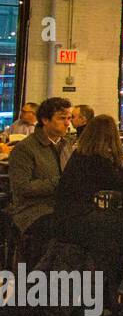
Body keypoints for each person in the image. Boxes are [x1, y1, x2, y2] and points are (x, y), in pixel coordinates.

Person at [53, 115, 123, 296]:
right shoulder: (98, 159)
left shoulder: (80, 155)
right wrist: (118, 156)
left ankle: (121, 283)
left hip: (66, 216)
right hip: (79, 218)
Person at [7, 97, 75, 260]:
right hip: (32, 211)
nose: (67, 123)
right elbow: (22, 187)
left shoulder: (66, 145)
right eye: (61, 118)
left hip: (61, 208)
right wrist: (60, 183)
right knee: (65, 229)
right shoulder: (25, 149)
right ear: (45, 120)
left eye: (69, 118)